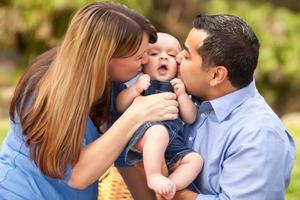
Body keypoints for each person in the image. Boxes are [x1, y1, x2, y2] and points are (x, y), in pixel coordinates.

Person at [0, 2, 180, 199]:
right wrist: (135, 115)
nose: (146, 60)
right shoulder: (44, 88)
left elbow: (120, 152)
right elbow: (77, 175)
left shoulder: (113, 85)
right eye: (139, 56)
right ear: (105, 57)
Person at [119, 14, 296, 200]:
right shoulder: (187, 94)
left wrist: (176, 193)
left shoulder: (258, 134)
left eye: (187, 55)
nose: (177, 58)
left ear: (216, 76)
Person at [115, 32, 203, 199]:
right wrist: (135, 90)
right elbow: (120, 105)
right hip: (144, 135)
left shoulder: (180, 86)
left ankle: (171, 186)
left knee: (195, 160)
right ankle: (154, 176)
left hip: (173, 144)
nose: (163, 58)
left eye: (171, 55)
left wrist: (183, 96)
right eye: (155, 54)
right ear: (143, 61)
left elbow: (190, 117)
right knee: (158, 132)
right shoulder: (138, 80)